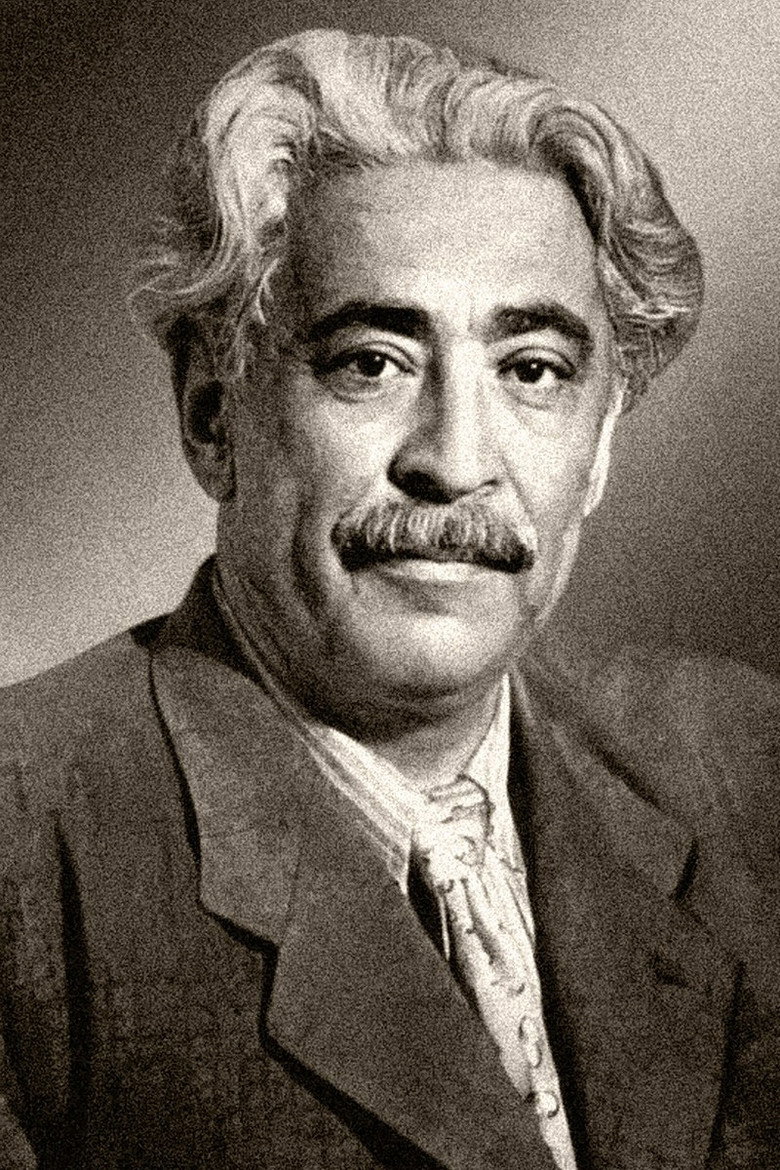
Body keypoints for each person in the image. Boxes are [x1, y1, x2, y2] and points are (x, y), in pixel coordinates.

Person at [1, 28, 777, 1170]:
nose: (455, 463)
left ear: (602, 444)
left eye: (532, 371)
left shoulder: (744, 765)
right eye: (371, 362)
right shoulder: (20, 845)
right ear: (213, 416)